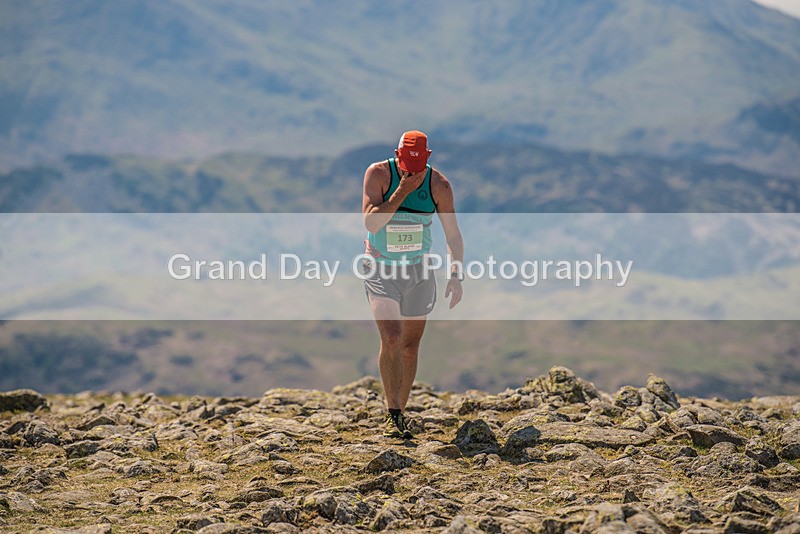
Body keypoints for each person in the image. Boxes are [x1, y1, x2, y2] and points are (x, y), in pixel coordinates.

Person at [361, 130, 464, 439]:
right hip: (379, 267)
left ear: (427, 159)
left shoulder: (439, 185)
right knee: (391, 338)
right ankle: (392, 413)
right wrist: (402, 191)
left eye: (417, 167)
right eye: (406, 165)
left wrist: (456, 274)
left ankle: (400, 413)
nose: (411, 172)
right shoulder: (378, 174)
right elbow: (371, 223)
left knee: (409, 346)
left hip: (418, 271)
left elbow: (453, 235)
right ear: (397, 155)